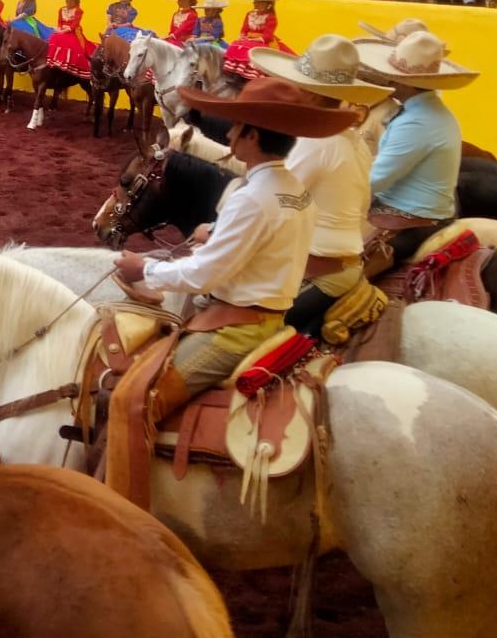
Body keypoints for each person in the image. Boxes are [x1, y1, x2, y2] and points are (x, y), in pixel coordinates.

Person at [112, 78, 342, 426]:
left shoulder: (251, 198)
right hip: (268, 319)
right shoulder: (295, 191)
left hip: (235, 331)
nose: (230, 135)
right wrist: (219, 232)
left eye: (237, 127)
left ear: (253, 135)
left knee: (132, 401)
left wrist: (143, 268)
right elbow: (267, 236)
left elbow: (203, 274)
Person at [249, 37, 393, 336]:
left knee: (239, 329)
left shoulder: (315, 143)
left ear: (312, 96)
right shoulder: (351, 138)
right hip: (342, 260)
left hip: (317, 269)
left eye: (298, 87)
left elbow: (271, 204)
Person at [353, 32, 477, 274]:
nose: (388, 81)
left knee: (336, 274)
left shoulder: (416, 121)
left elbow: (375, 179)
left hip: (408, 216)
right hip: (420, 210)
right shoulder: (425, 112)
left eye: (394, 77)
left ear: (408, 82)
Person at [223, 0, 293, 77]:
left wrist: (253, 40)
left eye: (259, 2)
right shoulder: (250, 14)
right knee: (236, 44)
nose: (255, 3)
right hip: (249, 39)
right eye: (256, 1)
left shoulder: (271, 17)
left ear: (267, 4)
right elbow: (244, 29)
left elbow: (267, 36)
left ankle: (250, 74)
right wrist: (242, 37)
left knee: (249, 48)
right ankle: (233, 72)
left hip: (263, 41)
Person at [45, 0, 95, 73]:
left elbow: (74, 25)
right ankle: (53, 61)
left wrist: (62, 31)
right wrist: (59, 29)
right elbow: (59, 22)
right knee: (53, 38)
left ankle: (68, 64)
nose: (68, 1)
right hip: (62, 30)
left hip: (73, 32)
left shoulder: (79, 10)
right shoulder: (61, 9)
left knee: (72, 44)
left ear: (75, 0)